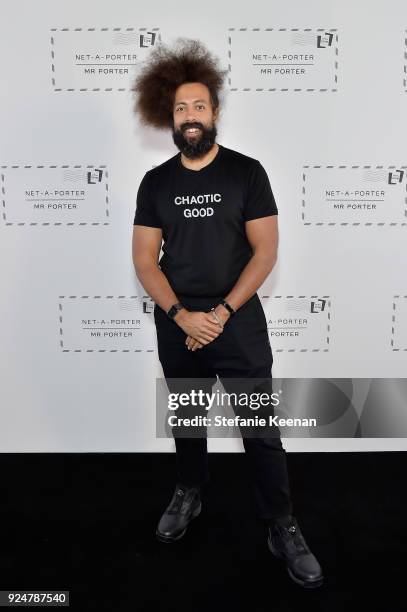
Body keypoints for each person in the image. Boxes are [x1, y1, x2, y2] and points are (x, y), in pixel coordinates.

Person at [131, 37, 324, 589]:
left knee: (260, 429)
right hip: (178, 322)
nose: (190, 117)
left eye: (199, 106)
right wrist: (182, 316)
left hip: (235, 320)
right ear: (169, 118)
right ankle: (189, 491)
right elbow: (146, 261)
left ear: (214, 112)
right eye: (180, 109)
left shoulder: (247, 173)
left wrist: (218, 313)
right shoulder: (157, 182)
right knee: (189, 423)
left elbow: (265, 252)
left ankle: (281, 524)